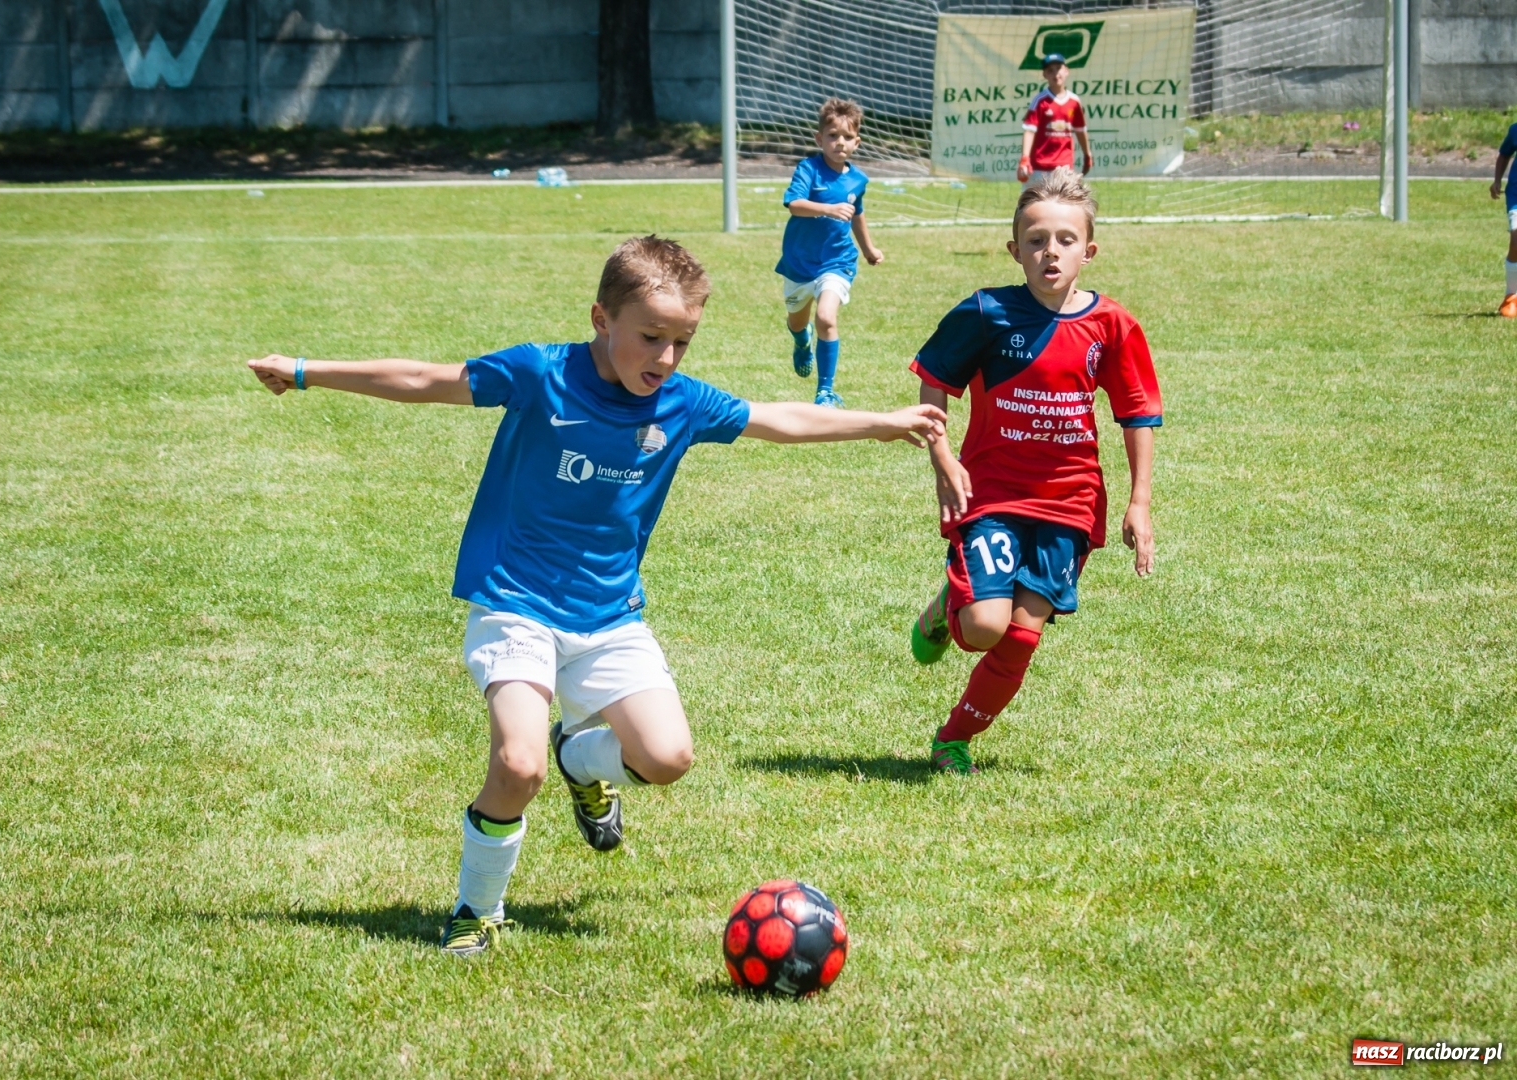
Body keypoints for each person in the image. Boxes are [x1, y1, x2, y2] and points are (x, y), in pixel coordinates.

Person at [246, 236, 944, 953]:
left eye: (683, 341)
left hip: (610, 617)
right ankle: (475, 911)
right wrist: (304, 372)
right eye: (650, 338)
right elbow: (428, 378)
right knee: (518, 766)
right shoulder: (539, 373)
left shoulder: (682, 404)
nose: (666, 359)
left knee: (669, 758)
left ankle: (582, 760)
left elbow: (779, 418)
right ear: (600, 320)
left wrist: (883, 424)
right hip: (515, 602)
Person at [905, 172, 1160, 774]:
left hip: (1070, 501)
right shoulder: (986, 312)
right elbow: (933, 384)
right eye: (1037, 239)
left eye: (1066, 239)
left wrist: (1139, 501)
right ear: (1014, 248)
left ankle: (953, 741)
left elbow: (1136, 412)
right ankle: (951, 606)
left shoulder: (1111, 325)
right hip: (992, 490)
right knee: (986, 625)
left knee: (1021, 635)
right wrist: (942, 456)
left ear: (1088, 251)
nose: (1052, 251)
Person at [777, 97, 885, 408]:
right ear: (819, 138)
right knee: (797, 322)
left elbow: (856, 213)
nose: (840, 143)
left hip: (837, 261)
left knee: (826, 316)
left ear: (857, 142)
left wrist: (868, 248)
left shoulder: (858, 179)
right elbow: (794, 205)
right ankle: (801, 340)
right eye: (833, 135)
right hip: (799, 263)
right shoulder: (808, 169)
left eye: (847, 137)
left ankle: (825, 391)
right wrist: (826, 208)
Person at [1015, 53, 1092, 187]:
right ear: (1045, 75)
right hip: (1039, 167)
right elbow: (1029, 130)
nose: (1055, 73)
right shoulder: (1040, 100)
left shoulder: (1074, 101)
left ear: (1066, 71)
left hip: (1064, 167)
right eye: (1050, 70)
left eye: (1058, 68)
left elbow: (1080, 130)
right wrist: (1025, 158)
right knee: (1031, 205)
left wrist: (1087, 154)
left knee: (1064, 205)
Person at [1492, 118, 1517, 318]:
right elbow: (1504, 154)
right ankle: (1511, 296)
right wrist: (1497, 181)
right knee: (1516, 238)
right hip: (1516, 195)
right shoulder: (1515, 130)